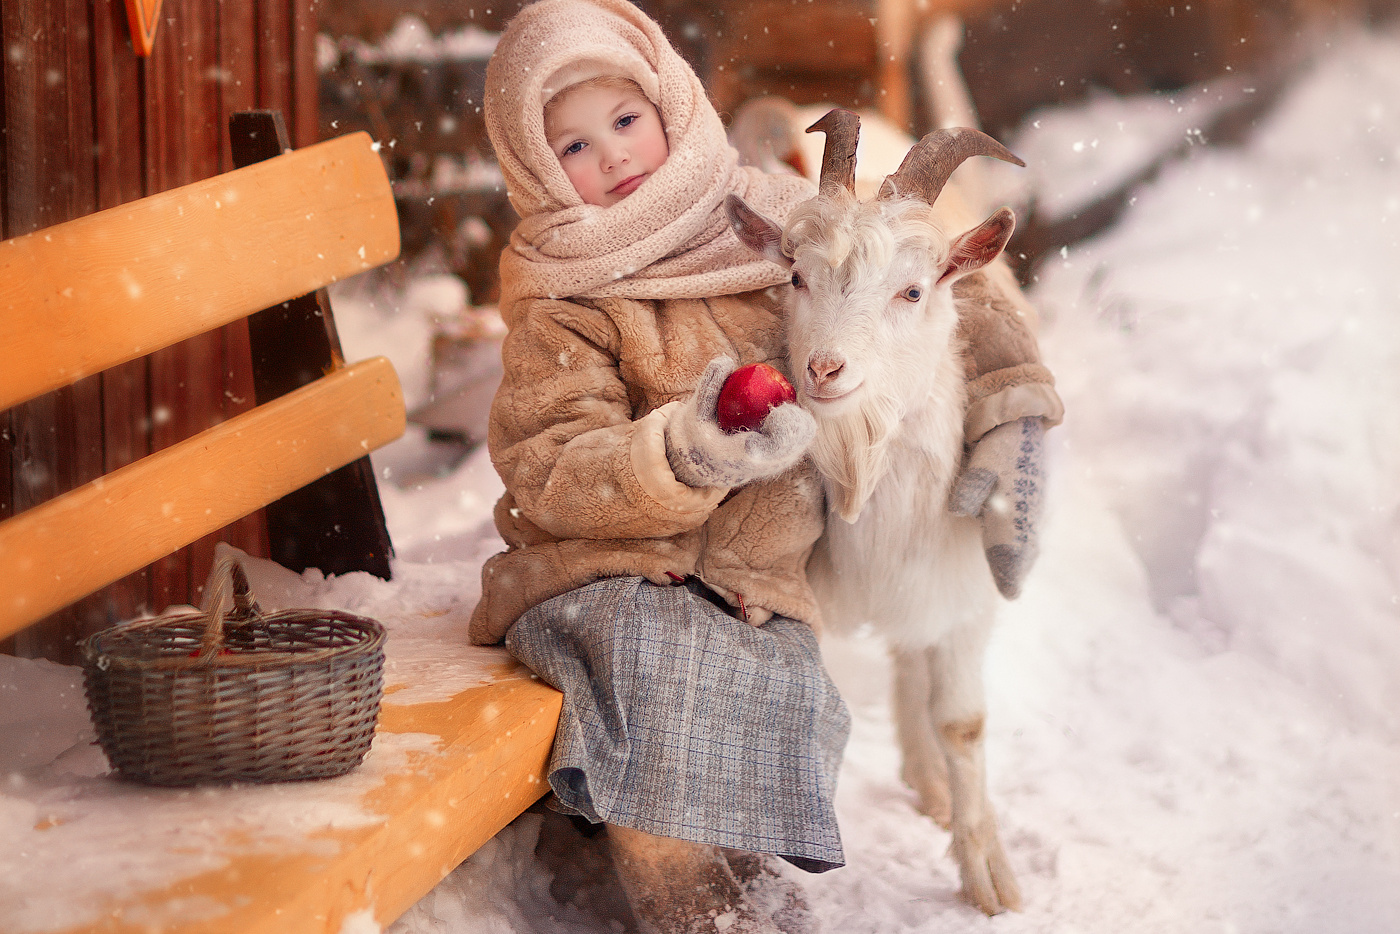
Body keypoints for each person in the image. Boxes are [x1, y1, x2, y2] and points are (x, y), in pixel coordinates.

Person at [473, 2, 1060, 931]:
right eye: (574, 146)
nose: (614, 156)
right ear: (537, 168)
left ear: (672, 106)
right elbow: (549, 467)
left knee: (773, 678)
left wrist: (1011, 397)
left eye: (626, 120)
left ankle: (731, 868)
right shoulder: (565, 300)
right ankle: (701, 905)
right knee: (663, 670)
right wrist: (678, 452)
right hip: (612, 569)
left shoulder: (773, 216)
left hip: (750, 567)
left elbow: (935, 283)